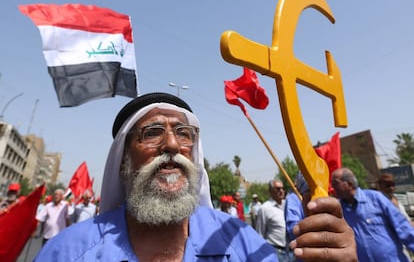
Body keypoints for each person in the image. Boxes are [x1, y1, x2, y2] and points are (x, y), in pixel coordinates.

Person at [35, 92, 357, 261]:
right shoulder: (68, 252)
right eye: (153, 132)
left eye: (183, 133)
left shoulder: (239, 240)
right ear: (123, 162)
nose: (172, 144)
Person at [331, 167, 414, 262]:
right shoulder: (338, 210)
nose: (332, 187)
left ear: (349, 183)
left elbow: (403, 228)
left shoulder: (376, 199)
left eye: (335, 183)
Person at [256, 179, 293, 262]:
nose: (281, 191)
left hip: (291, 251)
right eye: (278, 189)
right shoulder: (265, 208)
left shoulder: (288, 204)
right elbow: (260, 233)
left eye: (282, 188)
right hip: (275, 251)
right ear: (271, 191)